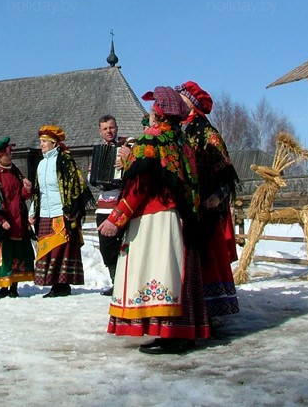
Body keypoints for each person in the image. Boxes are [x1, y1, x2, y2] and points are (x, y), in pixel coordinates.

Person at [97, 86, 210, 354]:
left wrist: (116, 218)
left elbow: (139, 186)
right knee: (175, 273)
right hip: (181, 219)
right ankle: (181, 331)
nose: (150, 113)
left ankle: (170, 334)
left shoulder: (151, 140)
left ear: (158, 113)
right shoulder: (182, 143)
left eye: (152, 108)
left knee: (160, 271)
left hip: (155, 218)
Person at [175, 80, 240, 319]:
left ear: (192, 104)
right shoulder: (181, 131)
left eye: (181, 99)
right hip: (188, 207)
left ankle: (209, 313)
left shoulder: (208, 133)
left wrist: (216, 197)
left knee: (207, 259)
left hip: (206, 210)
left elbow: (227, 174)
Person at [29, 125, 93, 298]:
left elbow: (75, 184)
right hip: (45, 213)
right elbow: (39, 191)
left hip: (61, 212)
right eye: (41, 141)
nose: (41, 145)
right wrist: (33, 210)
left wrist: (71, 207)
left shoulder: (65, 160)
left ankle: (62, 284)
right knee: (47, 249)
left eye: (44, 141)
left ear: (54, 143)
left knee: (60, 248)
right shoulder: (41, 164)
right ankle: (54, 283)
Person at [0, 137, 35, 298]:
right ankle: (3, 286)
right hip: (2, 219)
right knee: (3, 252)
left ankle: (14, 285)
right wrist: (1, 220)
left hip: (18, 218)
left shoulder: (15, 171)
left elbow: (20, 195)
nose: (10, 156)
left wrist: (27, 190)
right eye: (7, 153)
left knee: (17, 250)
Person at [90, 115, 127, 296]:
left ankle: (126, 283)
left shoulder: (127, 146)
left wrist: (126, 162)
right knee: (106, 246)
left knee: (123, 244)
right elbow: (93, 180)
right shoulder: (99, 150)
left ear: (116, 127)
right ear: (100, 131)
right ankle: (115, 282)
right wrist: (93, 173)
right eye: (105, 129)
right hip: (104, 203)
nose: (109, 131)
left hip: (121, 200)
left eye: (111, 127)